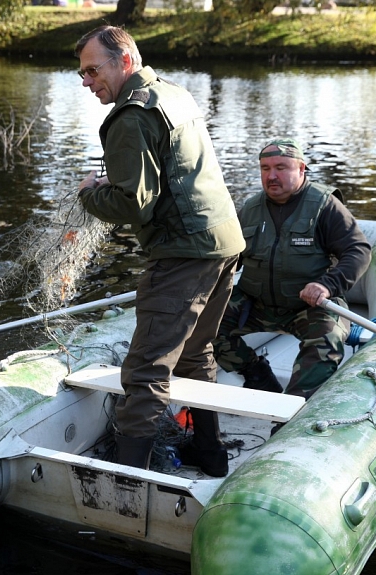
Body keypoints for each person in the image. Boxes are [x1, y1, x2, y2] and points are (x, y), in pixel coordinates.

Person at [75, 25, 245, 477]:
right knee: (196, 353)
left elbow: (134, 203)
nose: (88, 82)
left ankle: (129, 478)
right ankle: (209, 452)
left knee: (147, 368)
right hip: (223, 241)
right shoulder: (171, 92)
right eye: (82, 75)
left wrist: (91, 193)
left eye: (93, 70)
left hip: (183, 253)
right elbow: (170, 169)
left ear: (124, 61)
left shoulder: (128, 116)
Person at [214, 138, 371, 400]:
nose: (272, 176)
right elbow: (229, 258)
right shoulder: (250, 209)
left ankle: (291, 414)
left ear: (301, 169)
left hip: (309, 306)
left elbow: (358, 251)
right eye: (265, 168)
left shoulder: (325, 206)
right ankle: (257, 375)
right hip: (256, 303)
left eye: (281, 167)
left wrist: (326, 285)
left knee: (326, 341)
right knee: (204, 323)